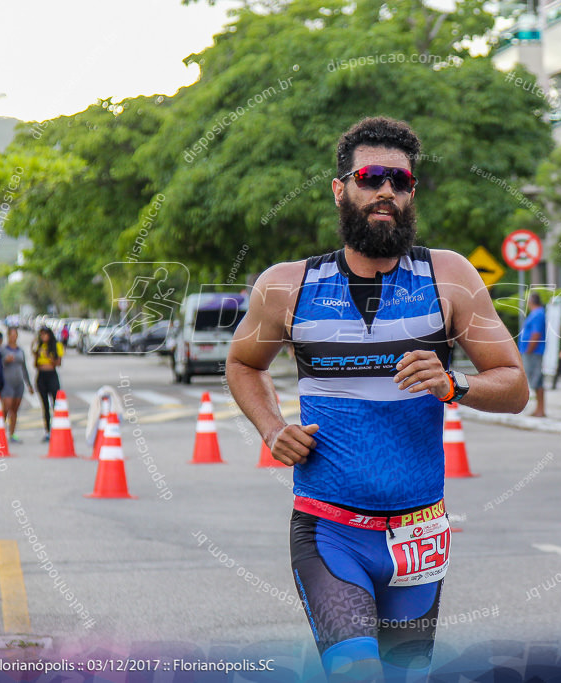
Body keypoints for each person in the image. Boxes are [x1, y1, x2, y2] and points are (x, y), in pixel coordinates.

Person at [226, 116, 528, 681]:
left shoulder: (450, 277)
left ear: (412, 194)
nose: (386, 190)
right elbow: (243, 363)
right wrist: (271, 427)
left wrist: (454, 384)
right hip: (330, 530)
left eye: (401, 181)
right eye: (370, 177)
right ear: (341, 189)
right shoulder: (288, 284)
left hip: (419, 534)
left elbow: (514, 386)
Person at [1, 327, 34, 443]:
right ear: (8, 336)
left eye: (15, 334)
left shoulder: (21, 350)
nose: (13, 337)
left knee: (14, 409)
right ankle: (0, 432)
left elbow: (24, 368)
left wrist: (29, 384)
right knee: (6, 407)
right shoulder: (3, 350)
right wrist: (5, 360)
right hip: (7, 383)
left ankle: (12, 433)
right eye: (11, 334)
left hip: (19, 383)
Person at [32, 326, 64, 443]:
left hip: (52, 375)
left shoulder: (56, 346)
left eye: (45, 334)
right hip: (41, 375)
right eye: (41, 335)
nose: (43, 337)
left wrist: (48, 356)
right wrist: (36, 353)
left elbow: (58, 363)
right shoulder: (39, 346)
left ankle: (59, 428)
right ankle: (47, 431)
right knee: (45, 406)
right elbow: (35, 364)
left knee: (56, 403)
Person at [519, 291, 547, 417]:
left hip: (534, 352)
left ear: (531, 301)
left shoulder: (538, 314)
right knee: (534, 380)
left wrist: (529, 349)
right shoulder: (536, 313)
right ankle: (538, 409)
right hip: (531, 352)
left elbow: (536, 334)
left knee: (537, 380)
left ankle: (541, 409)